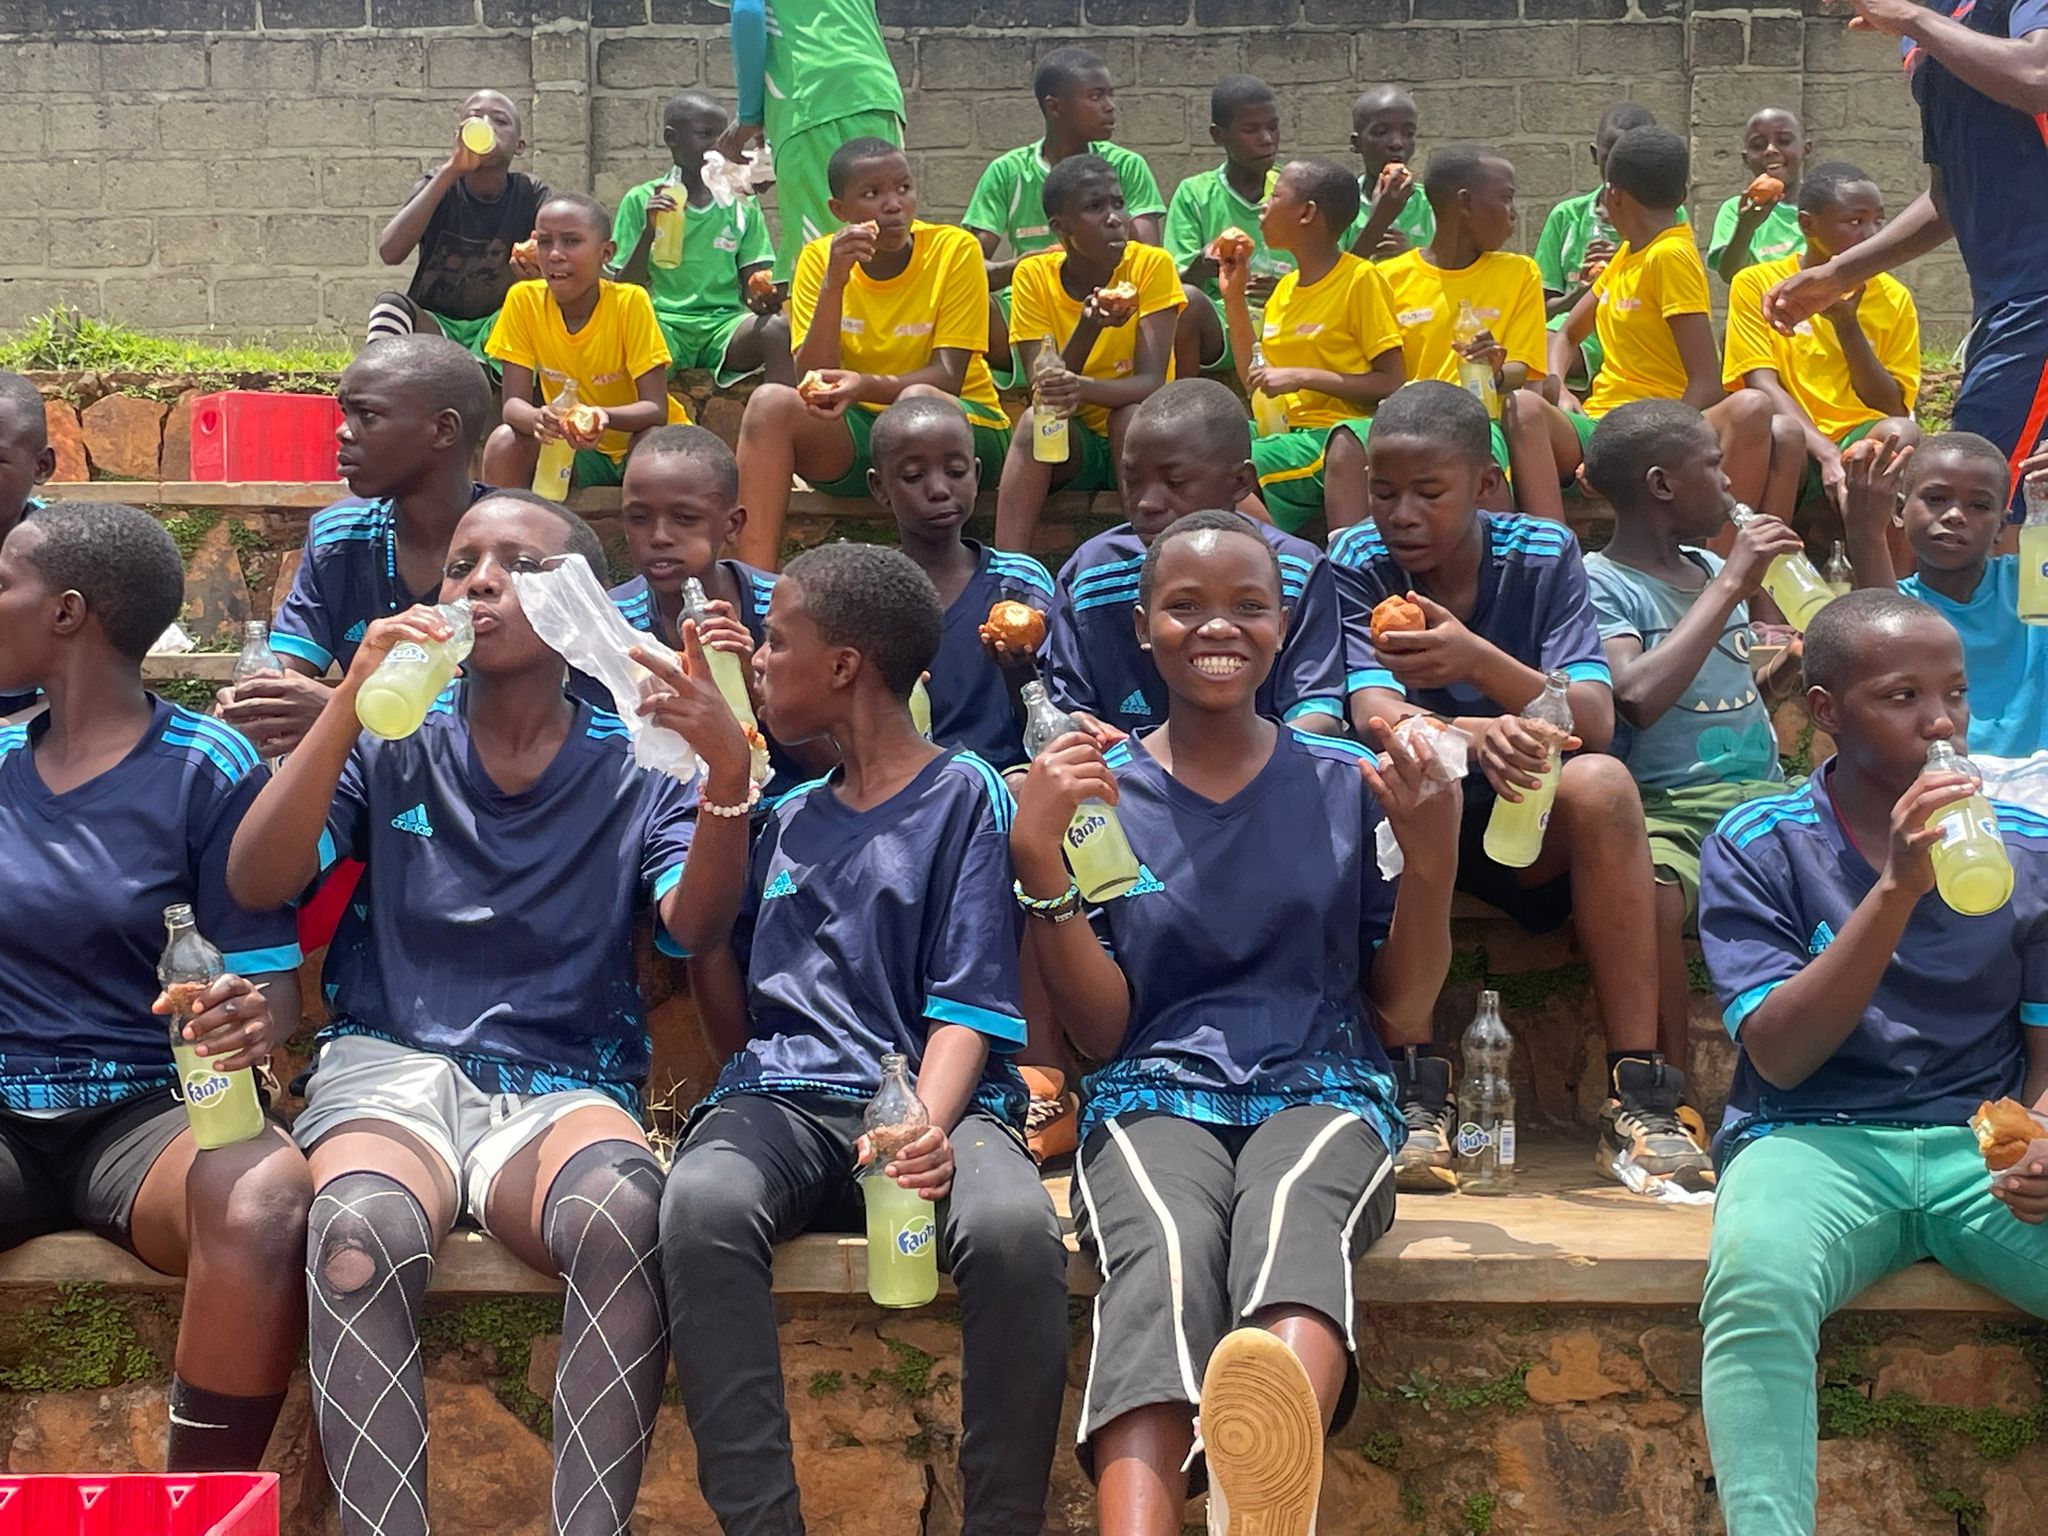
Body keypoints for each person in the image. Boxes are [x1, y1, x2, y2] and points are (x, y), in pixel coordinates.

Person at [226, 491, 694, 1536]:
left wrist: (725, 780)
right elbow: (259, 880)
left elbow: (693, 926)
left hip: (566, 1078)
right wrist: (347, 703)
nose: (480, 580)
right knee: (358, 1232)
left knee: (625, 1218)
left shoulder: (638, 760)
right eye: (462, 563)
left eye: (518, 565)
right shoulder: (394, 742)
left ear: (581, 605)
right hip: (391, 1061)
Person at [1013, 508, 1459, 1536]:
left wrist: (1432, 861)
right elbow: (1103, 1032)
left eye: (1247, 605)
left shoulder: (1347, 784)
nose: (1218, 626)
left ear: (1284, 624)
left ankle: (1262, 1490)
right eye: (1186, 605)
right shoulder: (1097, 794)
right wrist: (1042, 868)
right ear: (1141, 626)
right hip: (1152, 1088)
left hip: (1323, 1082)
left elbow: (1401, 1009)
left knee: (1295, 1213)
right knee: (1161, 1245)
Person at [650, 541, 1069, 1536]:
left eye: (776, 642)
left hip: (940, 1100)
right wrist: (723, 772)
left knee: (1014, 1233)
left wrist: (923, 1126)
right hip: (787, 1101)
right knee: (701, 1204)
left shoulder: (965, 791)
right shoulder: (785, 816)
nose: (757, 662)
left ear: (843, 666)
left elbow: (969, 999)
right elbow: (705, 950)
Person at [1696, 587, 2048, 1536]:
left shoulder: (2030, 849)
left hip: (1983, 1148)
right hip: (1811, 1137)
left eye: (1956, 695)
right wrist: (1895, 887)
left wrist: (2045, 1135)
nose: (1941, 723)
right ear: (1826, 711)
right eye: (1902, 697)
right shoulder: (1759, 844)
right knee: (1758, 1283)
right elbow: (1781, 1054)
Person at [1333, 382, 1713, 1192]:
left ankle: (1639, 1093)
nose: (1401, 515)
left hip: (1526, 816)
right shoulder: (1358, 561)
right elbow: (1374, 713)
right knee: (1383, 774)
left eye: (1428, 493)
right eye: (1383, 492)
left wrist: (1476, 662)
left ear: (1485, 485)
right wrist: (1481, 736)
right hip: (1418, 816)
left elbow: (1594, 720)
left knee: (1603, 784)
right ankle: (1414, 1084)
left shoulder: (1542, 552)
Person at [0, 501, 309, 1472]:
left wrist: (246, 1019)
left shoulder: (206, 767)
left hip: (148, 1115)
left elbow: (275, 989)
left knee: (262, 1198)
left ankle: (197, 1507)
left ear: (67, 613)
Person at [1581, 402, 1807, 1073]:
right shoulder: (1601, 583)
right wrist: (1735, 580)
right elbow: (1638, 697)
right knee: (1652, 891)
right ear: (1662, 484)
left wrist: (1783, 675)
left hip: (1762, 798)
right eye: (1714, 465)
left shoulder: (1707, 570)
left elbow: (1720, 695)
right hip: (1668, 811)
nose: (1730, 483)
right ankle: (1670, 1085)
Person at [1762, 0, 2048, 496]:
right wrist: (1837, 274)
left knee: (1969, 485)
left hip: (2036, 300)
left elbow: (2038, 77)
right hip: (2004, 301)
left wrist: (1911, 18)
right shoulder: (1922, 36)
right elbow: (1949, 196)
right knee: (1984, 490)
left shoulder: (1960, 16)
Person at [733, 139, 1011, 570]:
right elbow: (815, 379)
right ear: (839, 210)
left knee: (916, 404)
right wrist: (835, 283)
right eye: (872, 194)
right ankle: (755, 585)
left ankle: (942, 574)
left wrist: (862, 385)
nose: (894, 205)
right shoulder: (819, 259)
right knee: (770, 403)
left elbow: (949, 376)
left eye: (903, 188)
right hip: (866, 435)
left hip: (960, 429)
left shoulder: (954, 251)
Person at [219, 337, 494, 760]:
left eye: (367, 415)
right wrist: (257, 702)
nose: (344, 431)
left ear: (443, 430)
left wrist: (341, 712)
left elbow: (526, 729)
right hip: (371, 781)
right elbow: (285, 673)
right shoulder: (339, 535)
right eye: (345, 412)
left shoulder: (517, 549)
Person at [1044, 379, 1350, 739]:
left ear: (1240, 482)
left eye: (1175, 482)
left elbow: (1316, 715)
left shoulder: (1295, 571)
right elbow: (1066, 708)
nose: (1147, 503)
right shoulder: (1090, 573)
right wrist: (1085, 735)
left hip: (1270, 769)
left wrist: (1233, 762)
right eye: (1132, 480)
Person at [1543, 126, 1804, 525]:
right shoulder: (1627, 255)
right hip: (1603, 421)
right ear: (1682, 196)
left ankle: (1725, 555)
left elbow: (1706, 383)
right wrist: (1560, 390)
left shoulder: (1670, 256)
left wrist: (1643, 449)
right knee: (1524, 409)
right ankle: (1550, 546)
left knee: (1753, 406)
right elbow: (1566, 334)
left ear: (1612, 195)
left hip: (1657, 427)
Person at [608, 424, 825, 798]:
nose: (659, 536)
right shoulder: (614, 624)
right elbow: (610, 772)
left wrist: (757, 685)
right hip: (667, 819)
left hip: (788, 814)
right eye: (639, 518)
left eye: (685, 518)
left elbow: (834, 764)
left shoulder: (786, 610)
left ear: (731, 524)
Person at [993, 153, 1185, 554]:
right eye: (1095, 207)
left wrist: (1077, 386)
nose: (1115, 219)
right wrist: (1089, 326)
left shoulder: (1151, 265)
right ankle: (1010, 571)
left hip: (1141, 444)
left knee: (1129, 416)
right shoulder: (1034, 276)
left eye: (1118, 203)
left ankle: (1151, 564)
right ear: (1060, 227)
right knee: (1034, 422)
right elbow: (1043, 391)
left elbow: (1152, 384)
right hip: (1073, 446)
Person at [1218, 158, 1405, 534]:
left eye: (1275, 196)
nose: (1263, 207)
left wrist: (1302, 377)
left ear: (1306, 213)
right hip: (1283, 435)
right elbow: (1255, 378)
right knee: (1196, 446)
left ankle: (1281, 557)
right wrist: (1233, 297)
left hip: (1332, 437)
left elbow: (1392, 382)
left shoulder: (1360, 279)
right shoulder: (1286, 288)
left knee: (1217, 472)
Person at [1724, 162, 1922, 515]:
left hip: (1855, 438)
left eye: (1879, 221)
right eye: (1856, 222)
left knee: (1900, 434)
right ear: (1807, 224)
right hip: (1789, 441)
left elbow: (1892, 406)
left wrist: (1847, 325)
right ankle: (1765, 545)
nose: (1872, 234)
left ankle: (1878, 551)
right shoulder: (1758, 284)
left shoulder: (1894, 297)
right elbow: (1760, 382)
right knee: (1784, 434)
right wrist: (1826, 453)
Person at [964, 46, 1167, 382]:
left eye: (1110, 95)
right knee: (962, 303)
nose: (1110, 106)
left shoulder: (1126, 166)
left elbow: (1146, 256)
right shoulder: (1007, 171)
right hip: (1032, 310)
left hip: (1113, 304)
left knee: (1180, 301)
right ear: (1055, 107)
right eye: (1096, 96)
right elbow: (967, 269)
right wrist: (1020, 267)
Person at [871, 397, 1054, 768]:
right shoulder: (871, 596)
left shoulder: (1019, 584)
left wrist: (1019, 668)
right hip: (909, 780)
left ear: (977, 475)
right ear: (880, 488)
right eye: (913, 476)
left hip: (1012, 776)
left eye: (956, 471)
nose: (939, 489)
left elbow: (1052, 720)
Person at [1845, 430, 2048, 757]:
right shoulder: (1893, 603)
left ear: (2001, 526)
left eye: (1979, 505)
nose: (1955, 515)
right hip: (1943, 774)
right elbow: (1888, 651)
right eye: (1936, 498)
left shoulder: (2033, 581)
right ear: (1899, 510)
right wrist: (1864, 533)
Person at [482, 192, 688, 494]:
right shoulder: (523, 300)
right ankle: (502, 523)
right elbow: (513, 405)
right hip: (577, 451)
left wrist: (600, 416)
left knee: (651, 439)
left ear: (606, 253)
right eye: (545, 241)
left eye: (571, 241)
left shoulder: (630, 303)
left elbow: (655, 409)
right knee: (505, 442)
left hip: (643, 445)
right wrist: (538, 418)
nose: (555, 254)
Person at [1376, 145, 1545, 494]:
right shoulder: (1388, 278)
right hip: (1407, 423)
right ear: (1465, 203)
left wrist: (1495, 369)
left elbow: (1523, 368)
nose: (1513, 214)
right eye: (1506, 199)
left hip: (1481, 423)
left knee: (1479, 465)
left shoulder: (1520, 273)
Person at [611, 90, 791, 390]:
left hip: (724, 327)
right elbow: (623, 289)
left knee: (778, 330)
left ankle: (781, 410)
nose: (715, 147)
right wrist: (649, 233)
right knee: (625, 339)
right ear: (672, 138)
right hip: (662, 324)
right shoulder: (641, 200)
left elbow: (754, 279)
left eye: (721, 137)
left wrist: (764, 296)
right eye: (705, 135)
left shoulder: (739, 202)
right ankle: (650, 415)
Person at [716, 0, 904, 285]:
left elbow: (748, 11)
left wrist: (750, 116)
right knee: (884, 252)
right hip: (878, 94)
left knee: (822, 261)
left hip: (810, 96)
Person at [366, 91, 545, 365]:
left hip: (497, 328)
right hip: (434, 329)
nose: (486, 124)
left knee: (535, 309)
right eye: (475, 118)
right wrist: (451, 170)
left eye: (500, 120)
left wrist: (539, 266)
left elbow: (558, 245)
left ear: (519, 146)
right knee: (390, 306)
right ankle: (375, 383)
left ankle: (491, 382)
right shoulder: (438, 184)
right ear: (458, 136)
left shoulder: (530, 192)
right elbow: (390, 252)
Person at [1163, 73, 1289, 377]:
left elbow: (1326, 268)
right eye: (1251, 130)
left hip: (1288, 318)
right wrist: (1202, 266)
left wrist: (1285, 289)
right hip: (1222, 322)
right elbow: (1175, 286)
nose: (1266, 138)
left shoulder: (1292, 189)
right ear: (1219, 136)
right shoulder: (1195, 194)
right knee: (1187, 301)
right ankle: (1187, 397)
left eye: (1272, 127)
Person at [1534, 102, 1669, 384]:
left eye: (1634, 161)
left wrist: (1624, 262)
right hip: (1578, 330)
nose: (1622, 172)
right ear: (1596, 155)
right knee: (1535, 347)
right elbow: (1541, 310)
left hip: (1637, 325)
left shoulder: (1665, 215)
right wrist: (1583, 291)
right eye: (1613, 159)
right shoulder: (1567, 216)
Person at [0, 370, 54, 719]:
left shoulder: (68, 556)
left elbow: (92, 694)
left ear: (42, 466)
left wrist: (10, 732)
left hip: (33, 733)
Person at [1707, 106, 1812, 282]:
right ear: (1746, 159)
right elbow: (1729, 274)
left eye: (1784, 141)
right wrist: (1746, 227)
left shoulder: (1822, 205)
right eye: (1757, 146)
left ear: (1805, 149)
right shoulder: (1735, 209)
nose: (1770, 150)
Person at [1344, 86, 1433, 261]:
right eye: (1381, 132)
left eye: (1408, 133)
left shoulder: (1433, 206)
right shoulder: (1339, 206)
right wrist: (1376, 227)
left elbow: (1447, 272)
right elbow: (1332, 277)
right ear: (1356, 143)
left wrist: (1410, 258)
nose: (1397, 143)